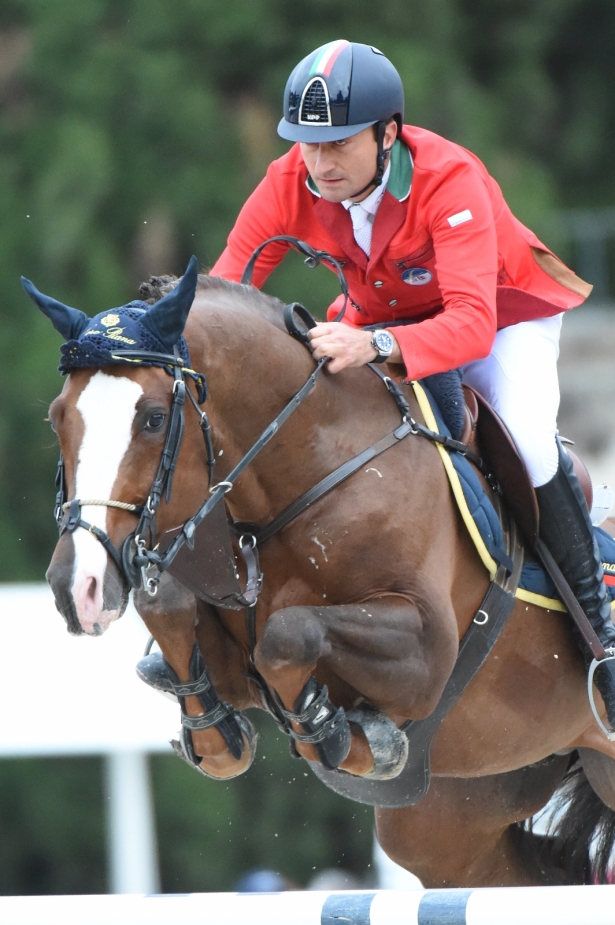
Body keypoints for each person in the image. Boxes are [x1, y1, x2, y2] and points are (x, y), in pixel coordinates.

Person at [211, 40, 615, 728]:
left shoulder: (447, 178)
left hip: (499, 315)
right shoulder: (291, 180)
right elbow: (225, 291)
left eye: (337, 143)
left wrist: (374, 344)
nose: (318, 162)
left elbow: (466, 323)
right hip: (381, 319)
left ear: (387, 133)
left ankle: (599, 626)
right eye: (307, 144)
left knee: (520, 431)